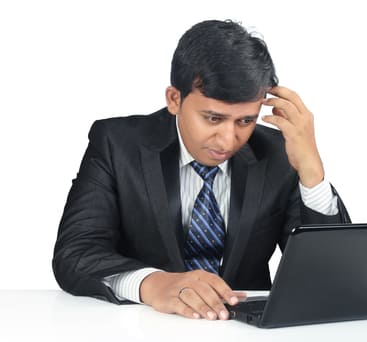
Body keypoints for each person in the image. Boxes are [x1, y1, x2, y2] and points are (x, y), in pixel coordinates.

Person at [52, 19, 350, 321]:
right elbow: (74, 254)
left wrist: (311, 173)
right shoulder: (117, 144)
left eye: (245, 121)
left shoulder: (280, 152)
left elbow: (334, 278)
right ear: (174, 99)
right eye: (213, 118)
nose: (228, 140)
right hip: (143, 327)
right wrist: (152, 284)